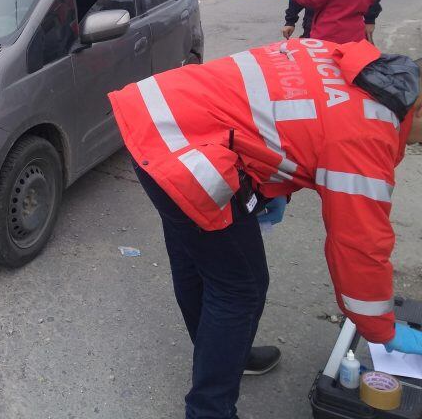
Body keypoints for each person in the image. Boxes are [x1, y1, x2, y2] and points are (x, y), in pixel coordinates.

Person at [108, 38, 422, 419]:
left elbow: (276, 122)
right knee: (241, 288)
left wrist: (270, 189)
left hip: (157, 119)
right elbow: (360, 245)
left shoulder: (345, 58)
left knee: (194, 259)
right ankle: (210, 409)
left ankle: (221, 353)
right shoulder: (367, 134)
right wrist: (383, 330)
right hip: (185, 153)